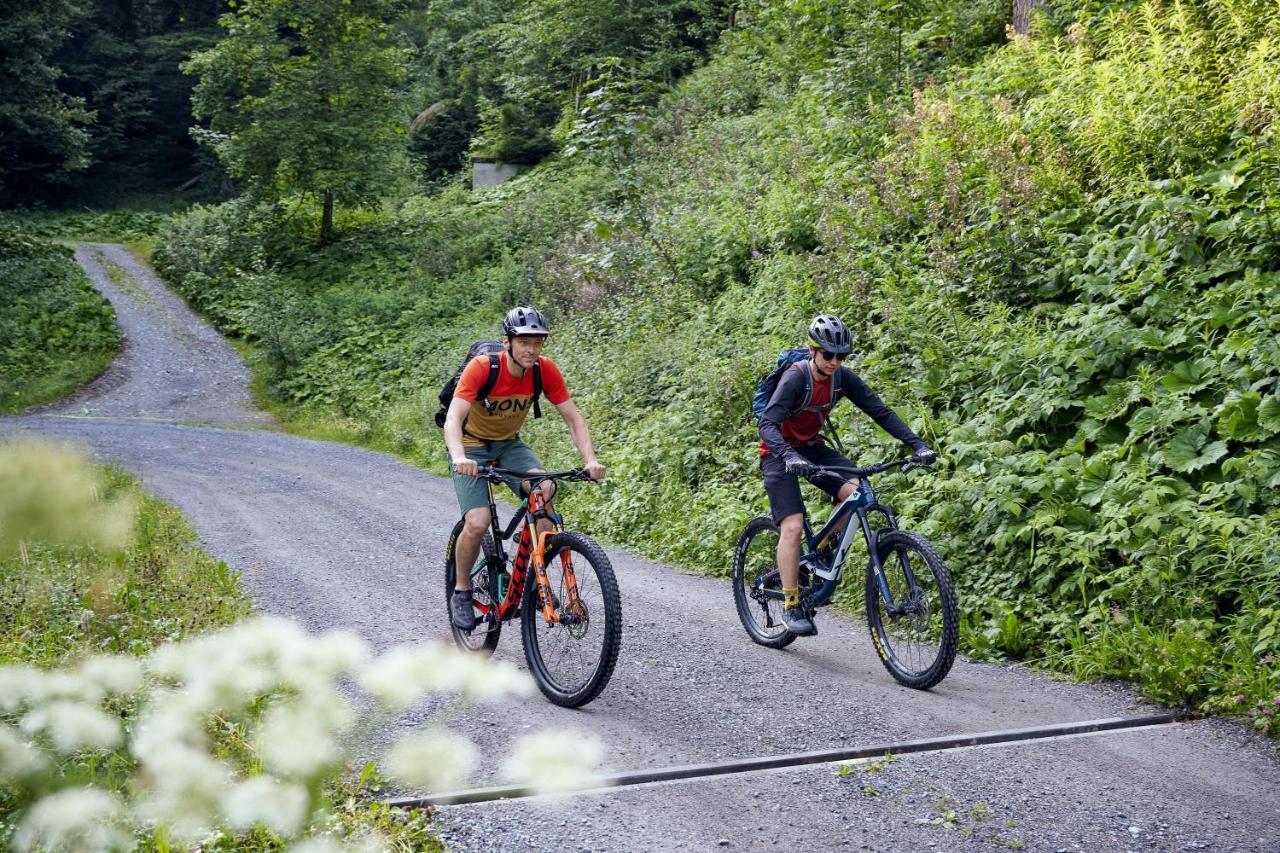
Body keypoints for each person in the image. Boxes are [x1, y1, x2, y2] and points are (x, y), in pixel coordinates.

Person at [758, 314, 935, 636]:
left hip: (812, 448)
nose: (834, 362)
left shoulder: (842, 378)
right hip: (778, 451)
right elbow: (767, 424)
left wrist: (918, 444)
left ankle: (822, 551)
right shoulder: (796, 378)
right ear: (813, 350)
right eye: (828, 354)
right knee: (794, 526)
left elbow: (879, 411)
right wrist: (787, 455)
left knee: (858, 491)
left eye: (841, 356)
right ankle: (791, 602)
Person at [443, 306, 605, 631]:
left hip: (508, 445)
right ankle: (461, 591)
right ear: (508, 343)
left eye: (538, 342)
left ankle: (534, 577)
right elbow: (453, 419)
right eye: (524, 342)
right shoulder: (481, 369)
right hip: (471, 444)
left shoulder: (543, 371)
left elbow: (573, 419)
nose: (532, 349)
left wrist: (590, 460)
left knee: (543, 491)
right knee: (478, 522)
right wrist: (460, 456)